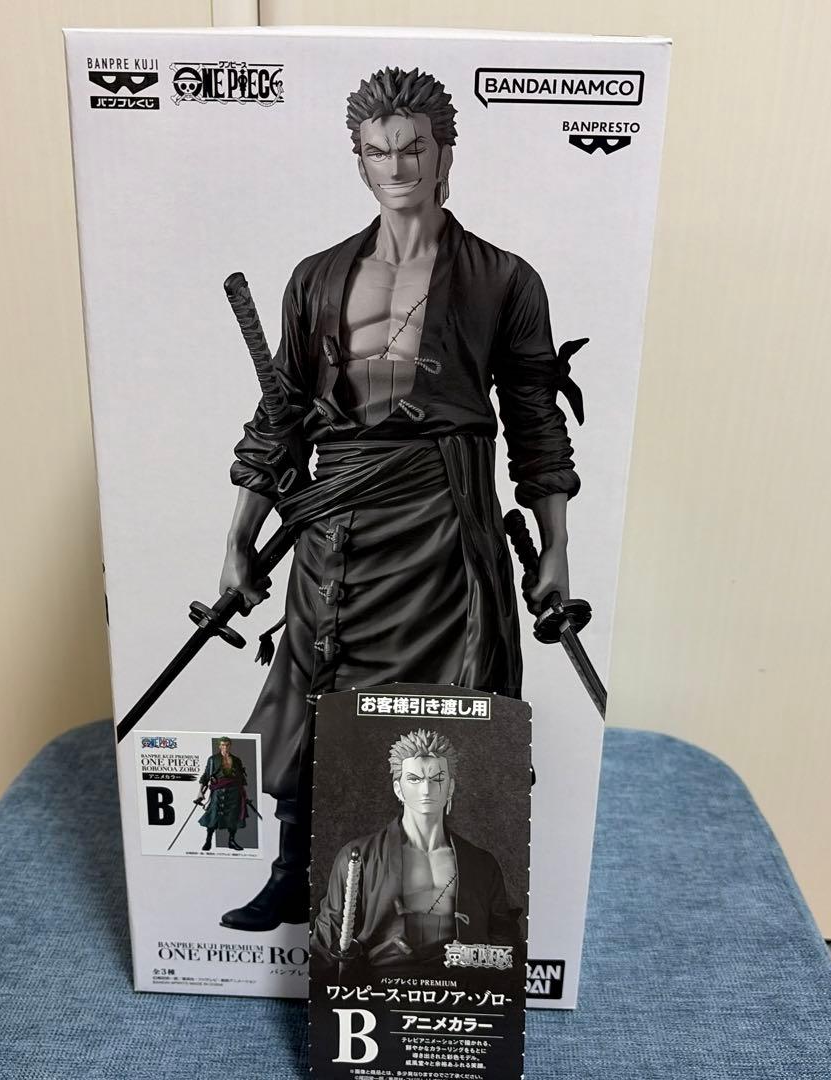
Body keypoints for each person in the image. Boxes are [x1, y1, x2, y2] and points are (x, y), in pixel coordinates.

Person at [220, 66, 580, 931]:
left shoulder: (503, 280)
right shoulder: (317, 277)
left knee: (446, 708)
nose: (397, 166)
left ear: (445, 151)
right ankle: (293, 874)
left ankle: (432, 899)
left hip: (444, 524)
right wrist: (238, 537)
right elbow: (280, 417)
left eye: (414, 147)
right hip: (337, 524)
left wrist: (556, 548)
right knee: (312, 692)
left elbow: (535, 423)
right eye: (378, 151)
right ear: (359, 160)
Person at [311, 729, 522, 976]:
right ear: (398, 789)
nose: (426, 789)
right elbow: (327, 941)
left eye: (437, 778)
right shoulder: (359, 857)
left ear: (451, 787)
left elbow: (504, 941)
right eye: (414, 779)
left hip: (460, 988)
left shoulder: (481, 864)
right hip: (382, 987)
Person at [196, 737, 248, 852]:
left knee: (233, 817)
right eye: (223, 745)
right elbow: (206, 776)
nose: (225, 747)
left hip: (235, 792)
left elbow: (241, 778)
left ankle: (231, 841)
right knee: (213, 815)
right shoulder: (213, 759)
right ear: (219, 746)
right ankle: (208, 840)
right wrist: (200, 792)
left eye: (227, 745)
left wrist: (245, 796)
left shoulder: (236, 760)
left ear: (230, 746)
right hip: (218, 790)